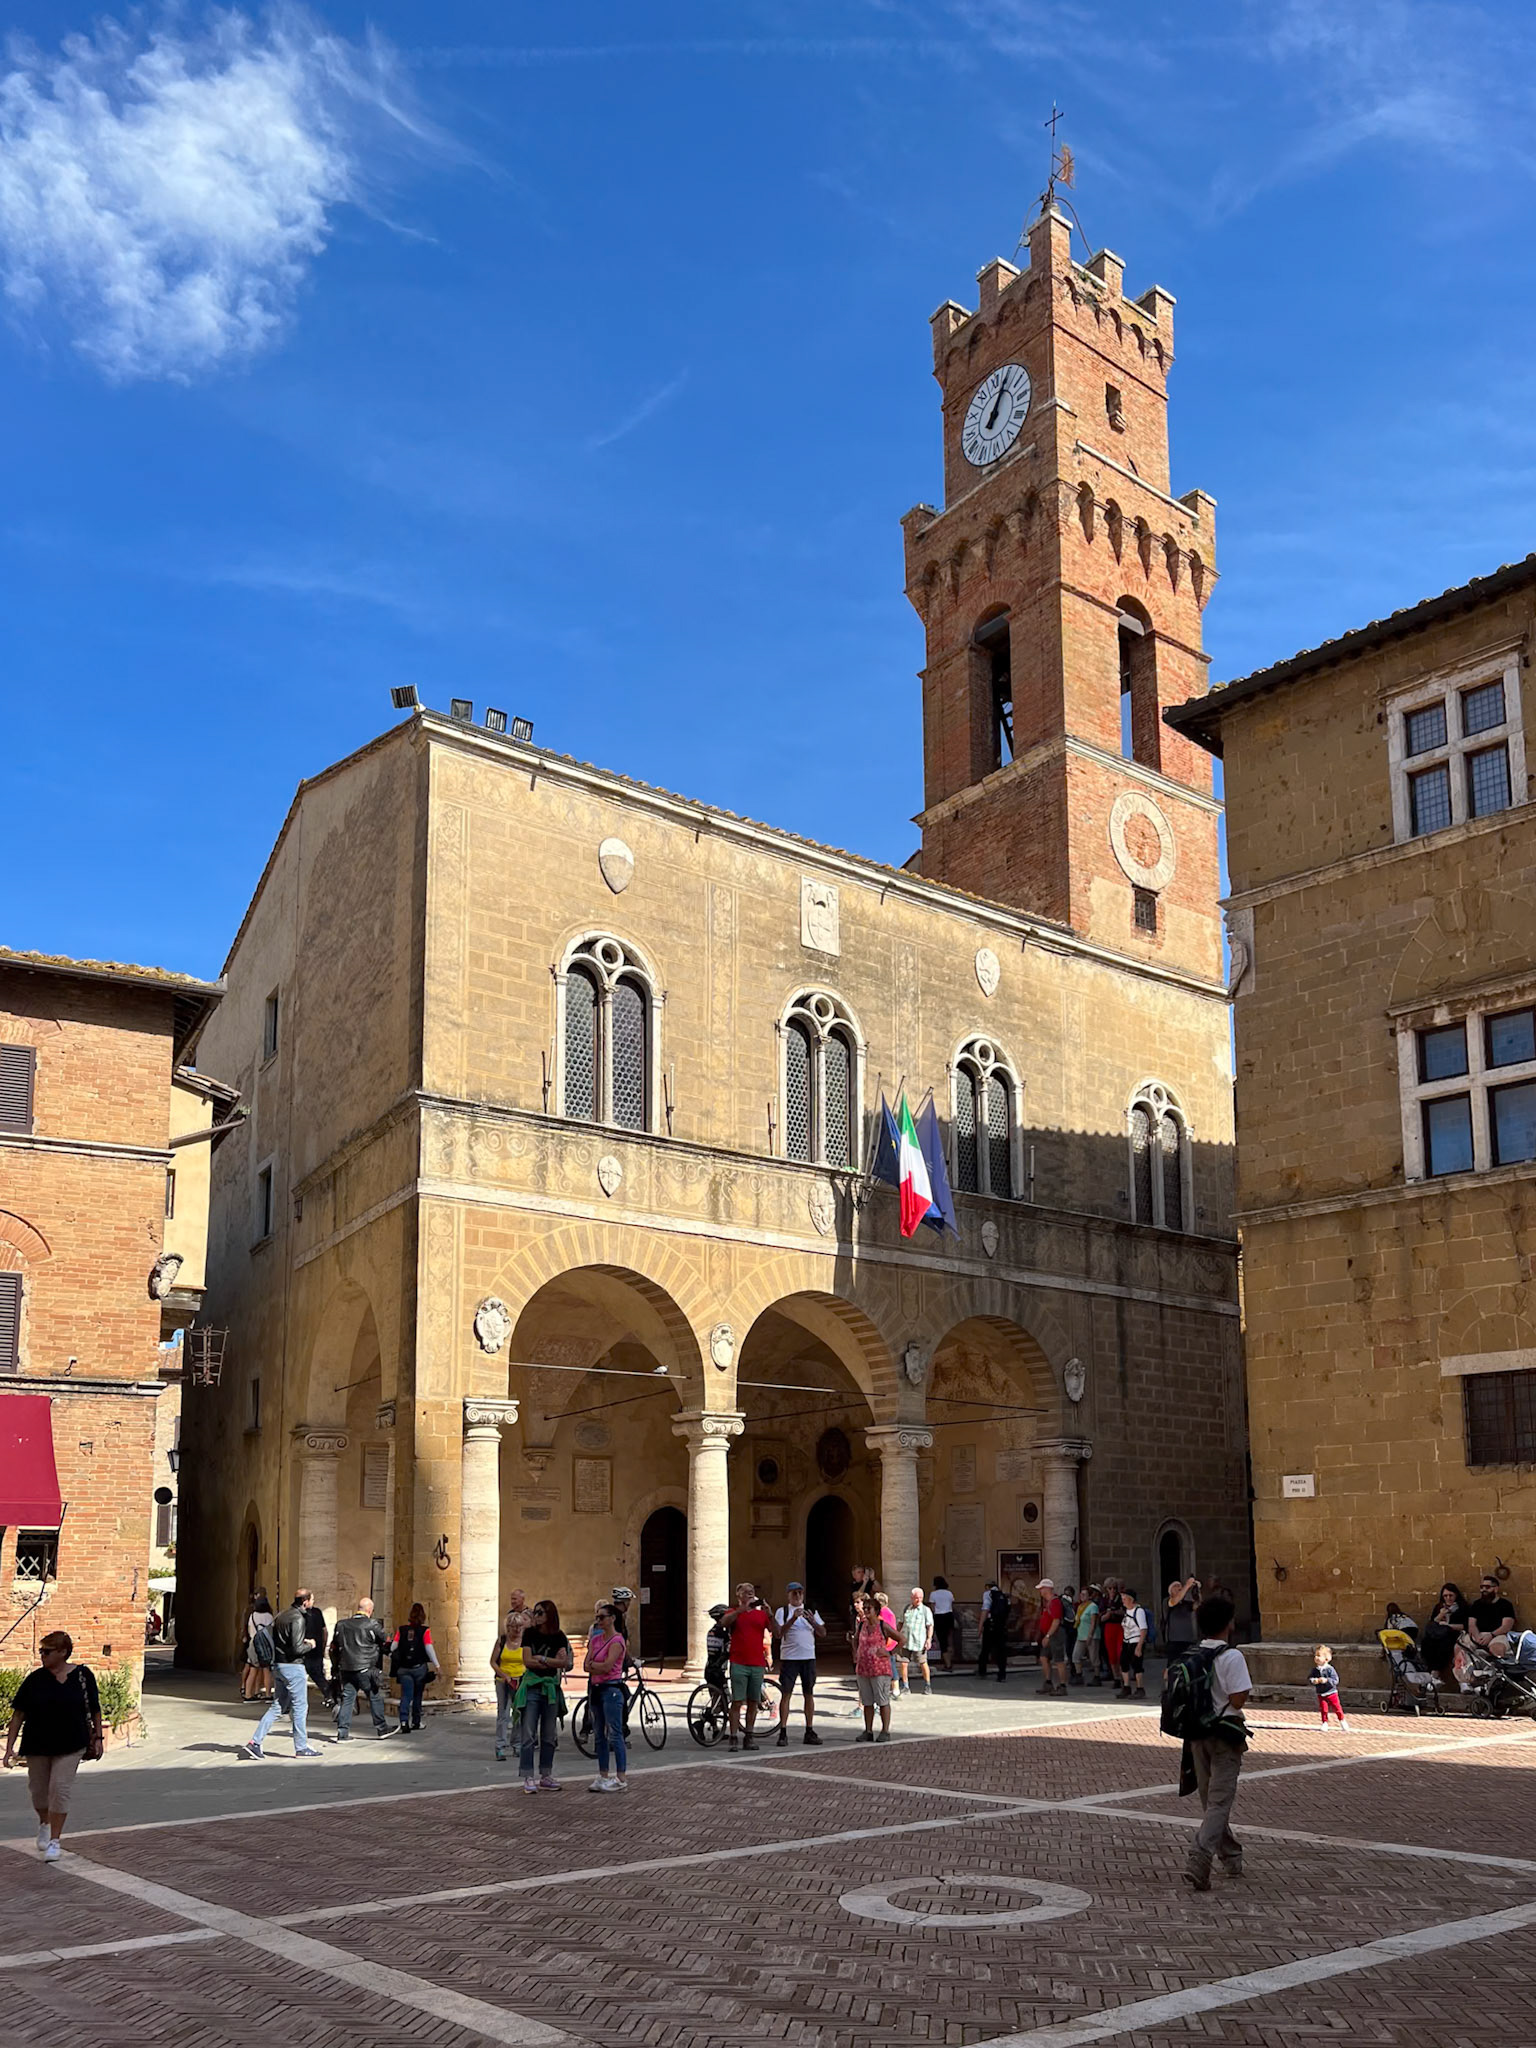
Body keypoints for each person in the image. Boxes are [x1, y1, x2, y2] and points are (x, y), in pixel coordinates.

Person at [2, 1630, 103, 1859]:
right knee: (39, 1793)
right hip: (37, 1744)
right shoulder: (35, 1679)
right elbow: (18, 1714)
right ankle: (45, 1822)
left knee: (59, 1789)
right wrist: (9, 1747)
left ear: (63, 1652)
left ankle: (55, 1841)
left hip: (72, 1743)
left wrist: (98, 1738)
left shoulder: (82, 1675)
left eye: (47, 1651)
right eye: (41, 1651)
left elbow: (95, 1709)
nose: (42, 1656)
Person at [1180, 1592, 1251, 1892]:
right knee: (1219, 1802)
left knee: (1212, 1802)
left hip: (1196, 1735)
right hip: (1225, 1734)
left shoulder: (1191, 1654)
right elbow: (1238, 1697)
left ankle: (1231, 1855)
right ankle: (1200, 1855)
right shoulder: (1231, 1656)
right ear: (1228, 1624)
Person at [240, 1589, 321, 1760]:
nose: (313, 1603)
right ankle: (301, 1747)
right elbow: (296, 1649)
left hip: (278, 1666)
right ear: (305, 1601)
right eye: (312, 1600)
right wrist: (311, 1644)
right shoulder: (298, 1618)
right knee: (300, 1707)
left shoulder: (282, 1615)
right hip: (293, 1667)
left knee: (277, 1707)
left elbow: (281, 1641)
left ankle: (255, 1742)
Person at [517, 1598, 572, 1791]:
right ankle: (527, 1775)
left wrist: (540, 1659)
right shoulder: (529, 1634)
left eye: (540, 1612)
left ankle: (546, 1774)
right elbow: (527, 1660)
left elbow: (563, 1663)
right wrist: (549, 1660)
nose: (536, 1616)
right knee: (529, 1734)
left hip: (550, 1688)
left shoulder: (559, 1636)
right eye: (535, 1612)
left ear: (549, 1615)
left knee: (549, 1735)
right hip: (532, 1686)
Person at [330, 1595, 397, 1741]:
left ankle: (342, 1733)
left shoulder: (341, 1624)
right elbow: (386, 1644)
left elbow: (334, 1647)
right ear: (370, 1610)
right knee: (374, 1697)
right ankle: (382, 1728)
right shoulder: (373, 1624)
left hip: (347, 1668)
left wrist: (335, 1667)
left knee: (347, 1700)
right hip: (366, 1668)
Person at [721, 1581, 776, 1751]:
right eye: (746, 1592)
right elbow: (723, 1623)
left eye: (751, 1591)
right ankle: (733, 1737)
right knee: (737, 1701)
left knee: (754, 1701)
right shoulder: (733, 1612)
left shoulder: (761, 1615)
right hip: (739, 1663)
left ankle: (749, 1736)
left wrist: (770, 1614)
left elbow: (777, 1632)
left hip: (756, 1663)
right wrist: (740, 1610)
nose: (750, 1594)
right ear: (739, 1596)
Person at [585, 1600, 630, 1792]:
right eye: (597, 1617)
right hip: (596, 1689)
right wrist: (595, 1666)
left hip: (611, 1689)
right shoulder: (595, 1639)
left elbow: (607, 1666)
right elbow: (586, 1665)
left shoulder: (617, 1641)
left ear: (612, 1619)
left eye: (602, 1617)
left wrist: (595, 1666)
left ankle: (621, 1777)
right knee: (599, 1734)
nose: (599, 1621)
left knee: (615, 1732)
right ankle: (603, 1774)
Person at [774, 1580, 825, 1746]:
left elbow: (823, 1632)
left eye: (800, 1593)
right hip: (790, 1658)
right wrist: (793, 1619)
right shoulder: (783, 1611)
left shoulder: (811, 1612)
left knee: (808, 1694)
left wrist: (812, 1621)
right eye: (794, 1593)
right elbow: (779, 1633)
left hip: (808, 1658)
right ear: (788, 1595)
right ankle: (783, 1731)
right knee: (786, 1694)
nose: (797, 1596)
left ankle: (809, 1730)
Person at [491, 1591, 535, 1762]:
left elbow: (529, 1660)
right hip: (503, 1681)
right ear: (507, 1627)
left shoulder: (525, 1643)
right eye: (513, 1627)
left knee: (518, 1713)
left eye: (519, 1627)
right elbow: (493, 1662)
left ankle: (516, 1744)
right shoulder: (502, 1641)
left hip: (521, 1680)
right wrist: (504, 1675)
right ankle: (500, 1746)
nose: (516, 1630)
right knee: (503, 1714)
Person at [853, 1593, 902, 1742]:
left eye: (869, 1608)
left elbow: (901, 1639)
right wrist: (856, 1652)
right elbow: (855, 1639)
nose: (866, 1610)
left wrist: (889, 1652)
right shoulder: (862, 1624)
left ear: (876, 1610)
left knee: (882, 1700)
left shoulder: (882, 1625)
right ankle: (868, 1731)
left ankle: (885, 1731)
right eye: (865, 1607)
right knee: (867, 1701)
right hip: (863, 1668)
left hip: (880, 1668)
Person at [389, 1603, 440, 1732]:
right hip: (419, 1668)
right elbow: (429, 1648)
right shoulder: (425, 1631)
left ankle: (404, 1721)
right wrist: (437, 1665)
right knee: (417, 1695)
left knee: (406, 1695)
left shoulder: (401, 1630)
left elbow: (393, 1647)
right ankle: (416, 1722)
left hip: (404, 1668)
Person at [1420, 1583, 1469, 1678]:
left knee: (1444, 1644)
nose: (1448, 1598)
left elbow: (1465, 1626)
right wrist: (1441, 1614)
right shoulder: (1439, 1607)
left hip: (1453, 1634)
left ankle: (1436, 1672)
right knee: (1427, 1643)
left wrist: (1449, 1625)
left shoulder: (1463, 1608)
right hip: (1438, 1634)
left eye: (1451, 1595)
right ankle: (1432, 1670)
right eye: (1445, 1596)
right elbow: (1433, 1622)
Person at [897, 1587, 935, 1697]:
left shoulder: (925, 1610)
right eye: (916, 1598)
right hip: (906, 1641)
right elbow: (900, 1622)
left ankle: (927, 1685)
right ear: (911, 1598)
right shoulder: (906, 1609)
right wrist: (896, 1635)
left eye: (920, 1598)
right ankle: (905, 1686)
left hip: (919, 1641)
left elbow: (930, 1626)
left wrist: (929, 1639)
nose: (918, 1600)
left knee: (923, 1663)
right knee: (904, 1664)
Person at [1467, 1573, 1517, 1650]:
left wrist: (1491, 1635)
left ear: (1496, 1589)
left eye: (1487, 1587)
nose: (1484, 1590)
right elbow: (1471, 1624)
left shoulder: (1505, 1605)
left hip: (1497, 1635)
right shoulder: (1476, 1604)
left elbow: (1506, 1627)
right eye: (1482, 1587)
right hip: (1478, 1634)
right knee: (1460, 1648)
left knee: (1497, 1648)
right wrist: (1477, 1637)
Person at [1035, 1577, 1067, 1696]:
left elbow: (1056, 1621)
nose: (1040, 1591)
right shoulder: (1048, 1602)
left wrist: (1048, 1635)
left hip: (1055, 1634)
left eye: (1042, 1588)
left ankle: (1062, 1686)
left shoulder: (1054, 1602)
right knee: (1044, 1657)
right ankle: (1048, 1683)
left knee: (1058, 1660)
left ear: (1047, 1589)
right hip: (1048, 1634)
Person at [242, 1589, 275, 1702]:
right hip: (266, 1645)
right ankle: (267, 1694)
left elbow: (250, 1630)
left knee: (253, 1670)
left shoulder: (252, 1616)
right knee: (266, 1670)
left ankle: (248, 1695)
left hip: (253, 1644)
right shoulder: (270, 1617)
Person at [976, 1580, 1010, 1682]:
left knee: (986, 1648)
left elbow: (985, 1610)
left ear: (987, 1586)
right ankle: (1002, 1674)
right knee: (1001, 1650)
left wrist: (980, 1626)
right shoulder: (1003, 1595)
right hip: (1001, 1625)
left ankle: (982, 1671)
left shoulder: (988, 1594)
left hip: (991, 1625)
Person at [302, 1595, 332, 1709]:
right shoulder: (316, 1612)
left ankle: (328, 1694)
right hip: (315, 1648)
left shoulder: (302, 1614)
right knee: (318, 1674)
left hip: (306, 1648)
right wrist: (323, 1645)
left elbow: (324, 1630)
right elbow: (325, 1631)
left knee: (311, 1674)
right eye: (312, 1599)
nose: (314, 1601)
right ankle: (328, 1695)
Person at [1120, 1586, 1149, 1699]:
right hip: (1126, 1641)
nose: (1123, 1600)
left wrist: (1139, 1646)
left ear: (1131, 1599)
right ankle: (1126, 1687)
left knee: (1137, 1664)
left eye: (1125, 1598)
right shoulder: (1127, 1611)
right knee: (1123, 1662)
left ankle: (1140, 1688)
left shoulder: (1139, 1611)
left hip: (1136, 1641)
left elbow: (1143, 1629)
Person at [1309, 1644, 1348, 1729]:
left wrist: (1326, 1680)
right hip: (1321, 1693)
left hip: (1331, 1693)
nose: (1316, 1657)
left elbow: (1335, 1680)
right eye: (1315, 1655)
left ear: (1326, 1659)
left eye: (1319, 1656)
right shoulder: (1315, 1670)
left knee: (1337, 1708)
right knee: (1324, 1709)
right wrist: (1314, 1680)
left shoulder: (1330, 1669)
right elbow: (1310, 1678)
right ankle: (1324, 1722)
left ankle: (1342, 1720)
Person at [1072, 1584, 1101, 1687]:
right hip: (1081, 1635)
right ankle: (1079, 1675)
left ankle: (1097, 1677)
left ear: (1089, 1596)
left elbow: (1093, 1622)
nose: (1082, 1596)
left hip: (1091, 1636)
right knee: (1076, 1656)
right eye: (1081, 1594)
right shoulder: (1080, 1607)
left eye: (1084, 1594)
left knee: (1093, 1658)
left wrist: (1090, 1635)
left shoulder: (1093, 1606)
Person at [1100, 1579, 1126, 1693]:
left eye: (1114, 1588)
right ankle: (1116, 1677)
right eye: (1110, 1588)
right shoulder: (1104, 1601)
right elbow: (1101, 1617)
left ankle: (1122, 1678)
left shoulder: (1120, 1598)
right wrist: (1108, 1614)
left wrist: (1113, 1612)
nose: (1112, 1590)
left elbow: (1124, 1612)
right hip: (1109, 1627)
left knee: (1120, 1652)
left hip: (1119, 1626)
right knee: (1111, 1654)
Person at [1163, 1576, 1201, 1654]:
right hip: (1174, 1640)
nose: (1179, 1588)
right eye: (1175, 1586)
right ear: (1170, 1590)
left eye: (1180, 1586)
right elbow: (1175, 1601)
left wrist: (1197, 1590)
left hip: (1188, 1639)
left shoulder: (1186, 1603)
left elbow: (1197, 1605)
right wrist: (1187, 1585)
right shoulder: (1167, 1601)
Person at [930, 1576, 956, 1673]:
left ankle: (948, 1664)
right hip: (949, 1616)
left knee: (942, 1641)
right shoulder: (949, 1593)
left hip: (939, 1617)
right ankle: (950, 1660)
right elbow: (952, 1604)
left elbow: (933, 1607)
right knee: (949, 1639)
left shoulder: (933, 1594)